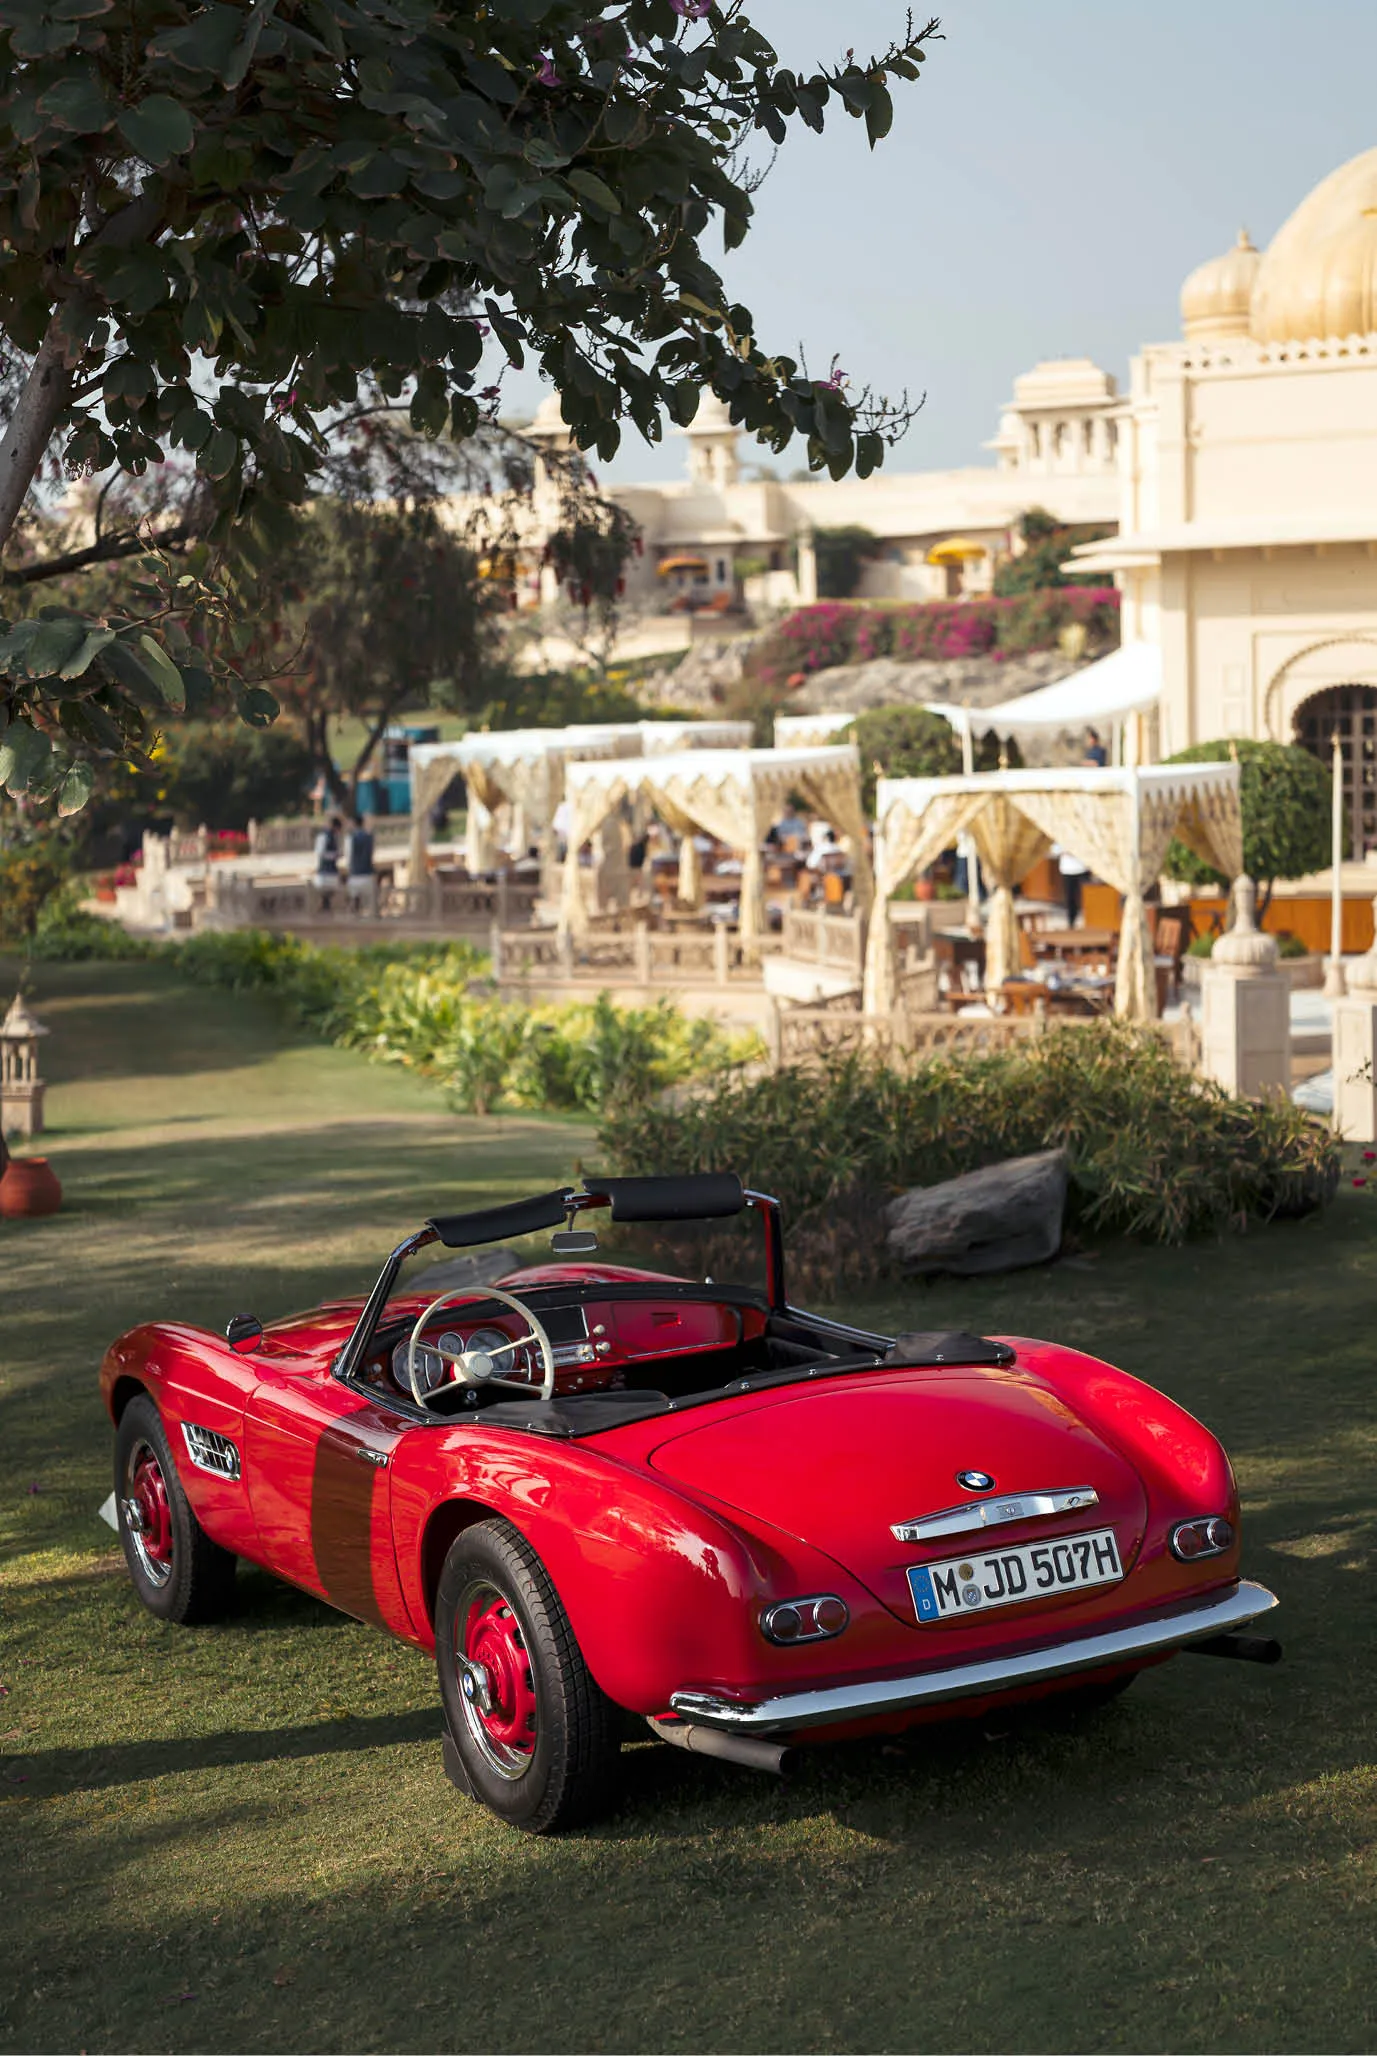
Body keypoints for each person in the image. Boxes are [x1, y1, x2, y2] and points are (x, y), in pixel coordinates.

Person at [345, 815, 376, 914]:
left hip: (355, 874)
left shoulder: (350, 838)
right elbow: (372, 853)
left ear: (353, 824)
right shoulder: (370, 837)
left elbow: (348, 856)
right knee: (370, 904)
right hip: (368, 874)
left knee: (354, 900)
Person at [1053, 842, 1088, 927]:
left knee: (1085, 897)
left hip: (1082, 868)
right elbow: (1054, 849)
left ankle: (1088, 920)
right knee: (1070, 897)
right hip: (1067, 870)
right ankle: (1071, 921)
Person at [313, 813, 343, 910]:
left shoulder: (334, 837)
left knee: (330, 895)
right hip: (324, 871)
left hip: (332, 871)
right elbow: (320, 852)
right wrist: (334, 855)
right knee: (324, 894)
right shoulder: (323, 836)